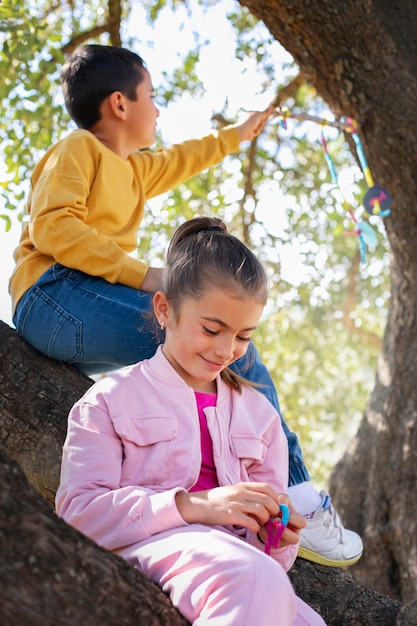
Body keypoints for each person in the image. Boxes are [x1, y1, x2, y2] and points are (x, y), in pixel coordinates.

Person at [9, 44, 362, 567]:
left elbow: (184, 158)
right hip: (52, 294)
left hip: (82, 304)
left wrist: (238, 136)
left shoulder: (135, 169)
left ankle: (231, 487)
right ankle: (294, 491)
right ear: (120, 105)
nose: (158, 108)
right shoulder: (79, 149)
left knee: (219, 351)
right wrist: (145, 274)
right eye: (151, 96)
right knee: (223, 346)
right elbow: (53, 227)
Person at [56, 216, 327, 626]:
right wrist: (192, 506)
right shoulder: (109, 400)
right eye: (212, 329)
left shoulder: (260, 416)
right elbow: (79, 514)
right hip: (154, 553)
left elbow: (268, 556)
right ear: (165, 309)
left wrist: (276, 533)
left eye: (243, 336)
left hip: (242, 573)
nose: (226, 350)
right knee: (254, 578)